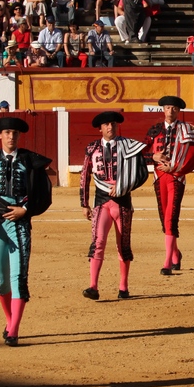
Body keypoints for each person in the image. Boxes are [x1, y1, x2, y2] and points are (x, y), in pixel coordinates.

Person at [0, 116, 53, 347]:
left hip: (19, 224)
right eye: (7, 132)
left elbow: (43, 192)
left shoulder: (29, 160)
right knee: (0, 278)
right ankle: (10, 321)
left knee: (19, 277)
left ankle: (14, 330)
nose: (11, 136)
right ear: (0, 135)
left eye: (15, 133)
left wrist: (25, 210)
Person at [80, 111, 148, 300]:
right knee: (98, 242)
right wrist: (84, 203)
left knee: (123, 245)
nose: (110, 127)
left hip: (123, 202)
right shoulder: (92, 148)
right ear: (100, 128)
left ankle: (123, 287)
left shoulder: (128, 146)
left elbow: (141, 172)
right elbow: (85, 175)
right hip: (101, 202)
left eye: (113, 124)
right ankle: (93, 286)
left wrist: (124, 186)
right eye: (107, 124)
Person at [144, 96, 194, 275]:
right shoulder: (154, 130)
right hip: (158, 176)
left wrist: (176, 168)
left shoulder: (186, 130)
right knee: (164, 218)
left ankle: (167, 262)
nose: (170, 111)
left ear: (179, 111)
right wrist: (152, 157)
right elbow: (141, 153)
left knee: (171, 217)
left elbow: (193, 156)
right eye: (168, 108)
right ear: (163, 109)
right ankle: (175, 254)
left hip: (176, 178)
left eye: (174, 108)